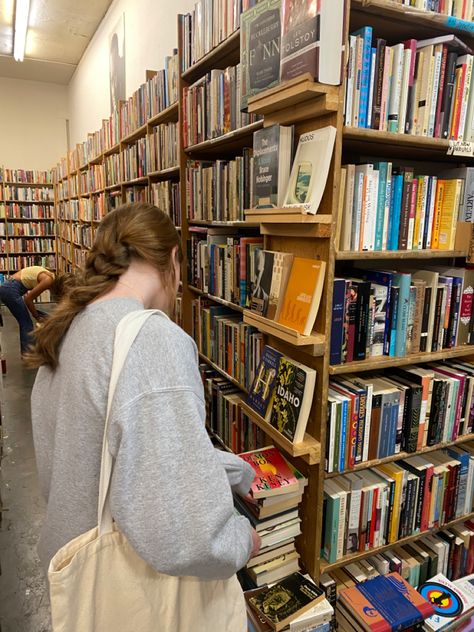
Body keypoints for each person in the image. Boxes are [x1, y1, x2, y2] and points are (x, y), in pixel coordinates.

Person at [27, 203, 261, 624]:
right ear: (173, 260)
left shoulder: (67, 328)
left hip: (81, 582)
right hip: (137, 596)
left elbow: (105, 452)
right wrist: (242, 540)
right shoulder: (151, 340)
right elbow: (183, 538)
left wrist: (232, 469)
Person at [0, 265, 70, 356]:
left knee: (39, 317)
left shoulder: (49, 274)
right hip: (9, 290)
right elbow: (28, 299)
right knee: (26, 323)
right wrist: (36, 316)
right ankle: (28, 354)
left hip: (8, 288)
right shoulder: (48, 280)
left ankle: (33, 348)